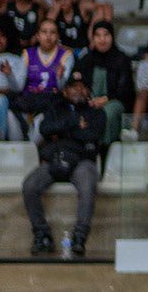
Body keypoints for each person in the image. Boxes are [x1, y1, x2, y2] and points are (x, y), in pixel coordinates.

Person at [21, 70, 104, 257]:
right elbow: (45, 129)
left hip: (83, 160)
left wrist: (63, 132)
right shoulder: (56, 108)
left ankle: (79, 237)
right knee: (29, 185)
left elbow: (93, 135)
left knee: (88, 185)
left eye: (82, 87)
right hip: (56, 159)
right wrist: (74, 123)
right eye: (73, 88)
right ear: (65, 91)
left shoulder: (96, 112)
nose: (78, 91)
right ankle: (42, 235)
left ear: (88, 91)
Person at [74, 19, 133, 145]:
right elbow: (76, 82)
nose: (102, 39)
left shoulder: (122, 59)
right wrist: (88, 98)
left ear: (112, 36)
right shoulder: (86, 59)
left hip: (115, 101)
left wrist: (106, 99)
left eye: (106, 35)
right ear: (93, 38)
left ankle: (105, 149)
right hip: (89, 101)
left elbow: (125, 91)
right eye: (98, 35)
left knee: (107, 113)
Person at [12, 17, 74, 135]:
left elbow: (63, 89)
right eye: (44, 32)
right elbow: (18, 87)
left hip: (52, 104)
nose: (48, 36)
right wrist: (9, 75)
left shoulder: (66, 55)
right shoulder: (27, 54)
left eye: (52, 32)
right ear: (38, 35)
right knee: (10, 111)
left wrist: (60, 77)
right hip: (28, 101)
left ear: (58, 36)